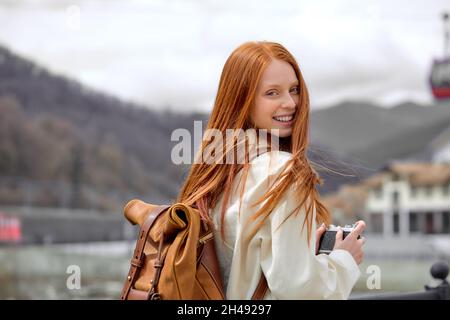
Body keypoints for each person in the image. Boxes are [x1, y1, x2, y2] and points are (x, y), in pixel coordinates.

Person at [177, 40, 366, 299]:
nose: (290, 103)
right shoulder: (284, 171)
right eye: (272, 93)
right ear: (242, 100)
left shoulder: (213, 171)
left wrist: (302, 245)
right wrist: (344, 260)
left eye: (294, 89)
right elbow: (298, 289)